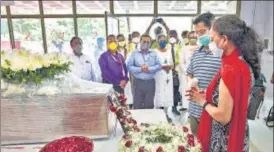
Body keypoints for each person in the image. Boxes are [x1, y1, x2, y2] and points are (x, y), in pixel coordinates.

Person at [187, 15, 263, 152]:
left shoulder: (230, 69)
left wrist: (202, 102)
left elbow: (223, 116)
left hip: (223, 141)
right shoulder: (241, 63)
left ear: (224, 39)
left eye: (212, 37)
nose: (210, 42)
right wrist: (208, 95)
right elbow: (232, 97)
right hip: (238, 132)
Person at [186, 12, 222, 136]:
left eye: (203, 31)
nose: (199, 36)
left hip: (212, 110)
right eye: (197, 32)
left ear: (213, 29)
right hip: (194, 110)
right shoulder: (196, 53)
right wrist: (190, 81)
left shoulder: (221, 54)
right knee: (196, 144)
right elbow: (189, 72)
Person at [126, 34, 162, 109]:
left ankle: (149, 121)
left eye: (148, 42)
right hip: (138, 83)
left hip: (150, 83)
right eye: (144, 41)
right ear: (140, 42)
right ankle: (137, 121)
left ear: (150, 43)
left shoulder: (154, 53)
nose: (146, 43)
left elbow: (159, 66)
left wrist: (149, 68)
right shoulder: (134, 53)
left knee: (149, 105)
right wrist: (140, 69)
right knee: (137, 105)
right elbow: (129, 67)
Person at [154, 34, 174, 121]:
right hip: (158, 76)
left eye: (164, 41)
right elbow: (152, 64)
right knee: (159, 93)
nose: (163, 42)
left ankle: (166, 114)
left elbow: (172, 63)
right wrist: (161, 67)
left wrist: (171, 66)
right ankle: (158, 114)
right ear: (157, 42)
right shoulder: (154, 51)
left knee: (167, 94)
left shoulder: (169, 50)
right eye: (161, 41)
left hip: (168, 75)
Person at [180, 31, 199, 109]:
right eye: (191, 38)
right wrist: (188, 73)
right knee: (188, 93)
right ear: (188, 38)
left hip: (198, 75)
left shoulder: (201, 47)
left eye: (194, 37)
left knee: (198, 93)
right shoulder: (184, 49)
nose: (193, 39)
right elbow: (182, 62)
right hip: (187, 75)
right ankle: (188, 112)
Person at [168, 30, 183, 115]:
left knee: (176, 90)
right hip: (167, 72)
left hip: (177, 72)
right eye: (171, 36)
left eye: (174, 36)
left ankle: (174, 107)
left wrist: (176, 67)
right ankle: (164, 110)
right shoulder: (165, 47)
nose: (172, 38)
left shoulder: (180, 47)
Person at [117, 34, 133, 108]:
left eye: (122, 40)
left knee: (128, 93)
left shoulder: (127, 51)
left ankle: (128, 108)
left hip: (127, 75)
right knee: (120, 94)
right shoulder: (115, 52)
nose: (121, 42)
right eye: (119, 40)